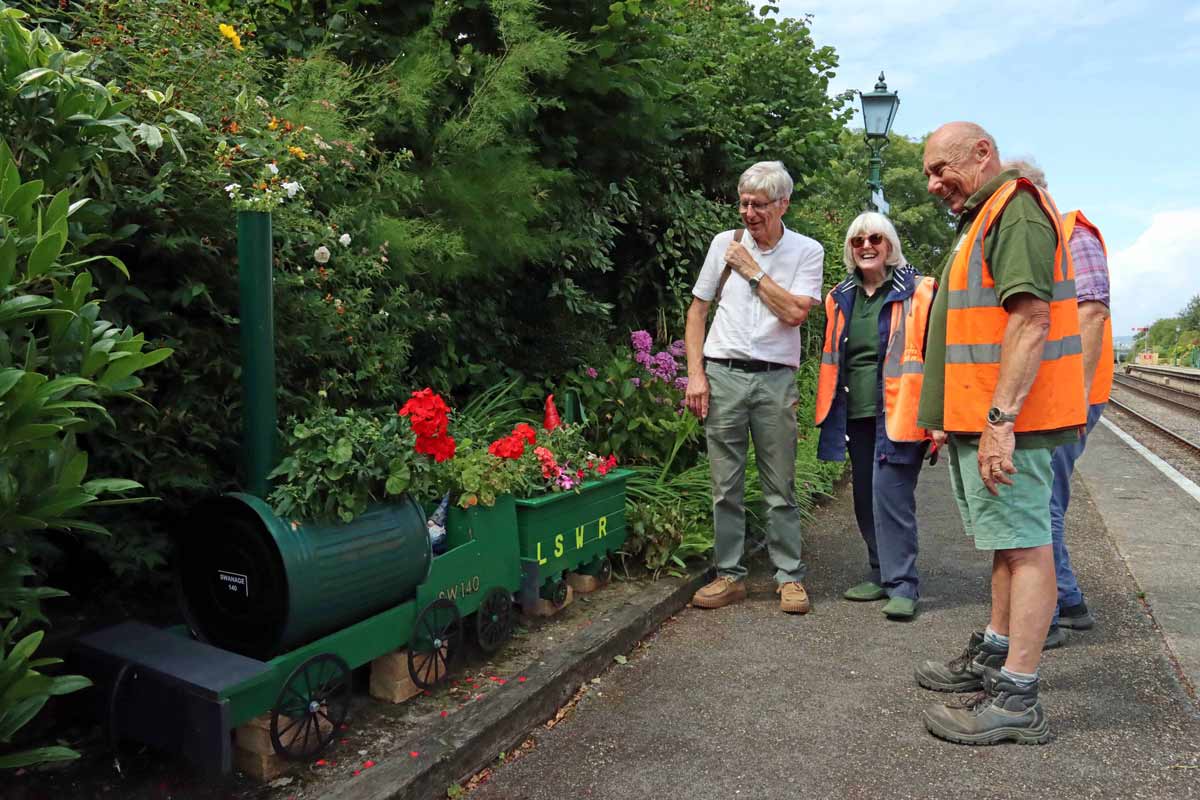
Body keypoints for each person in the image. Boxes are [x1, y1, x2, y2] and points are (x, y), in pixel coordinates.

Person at [911, 122, 1086, 745]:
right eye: (929, 174)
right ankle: (996, 655)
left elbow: (1031, 318)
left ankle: (1017, 698)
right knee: (1008, 545)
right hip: (978, 417)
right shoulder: (986, 216)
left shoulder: (1016, 213)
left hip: (1012, 420)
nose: (933, 184)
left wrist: (999, 423)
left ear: (982, 154)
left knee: (1026, 546)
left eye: (940, 169)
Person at [683, 161, 824, 614]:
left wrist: (751, 270)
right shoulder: (723, 243)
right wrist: (696, 373)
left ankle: (789, 578)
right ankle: (730, 575)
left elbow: (795, 313)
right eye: (743, 203)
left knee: (779, 484)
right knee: (725, 485)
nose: (748, 213)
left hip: (775, 378)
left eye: (759, 204)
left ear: (783, 204)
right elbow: (696, 312)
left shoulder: (807, 251)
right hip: (722, 373)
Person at [1004, 159, 1112, 634]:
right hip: (1050, 398)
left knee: (1039, 503)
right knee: (1044, 500)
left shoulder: (1071, 234)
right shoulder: (1044, 240)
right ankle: (1066, 601)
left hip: (1067, 399)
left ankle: (1043, 617)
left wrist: (1074, 400)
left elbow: (1090, 315)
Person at [814, 212, 936, 620]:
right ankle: (880, 572)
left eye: (876, 239)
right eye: (857, 240)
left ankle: (904, 585)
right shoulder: (841, 296)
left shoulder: (918, 291)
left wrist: (939, 419)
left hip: (901, 412)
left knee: (891, 495)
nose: (866, 246)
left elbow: (936, 357)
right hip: (855, 414)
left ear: (891, 245)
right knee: (865, 498)